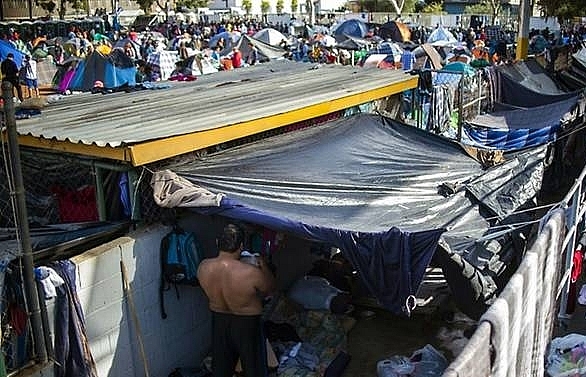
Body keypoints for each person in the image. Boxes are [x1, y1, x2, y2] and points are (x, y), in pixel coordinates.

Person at [198, 223, 275, 377]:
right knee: (254, 370)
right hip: (247, 323)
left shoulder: (203, 267)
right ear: (241, 246)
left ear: (217, 243)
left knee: (221, 369)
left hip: (219, 320)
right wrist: (263, 264)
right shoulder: (251, 273)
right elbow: (269, 288)